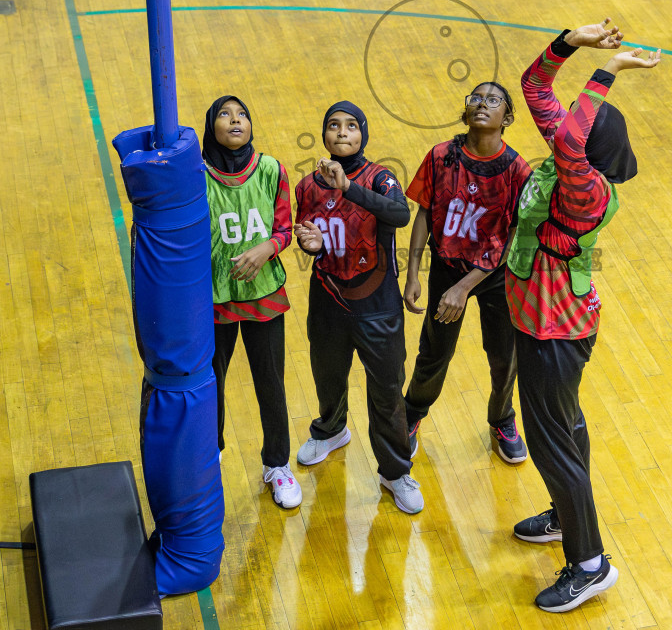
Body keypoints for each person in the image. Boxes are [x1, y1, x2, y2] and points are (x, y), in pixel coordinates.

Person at [507, 19, 660, 613]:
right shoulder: (572, 155)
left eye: (578, 115)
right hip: (546, 318)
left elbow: (569, 136)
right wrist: (574, 39)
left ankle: (590, 564)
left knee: (551, 441)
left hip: (555, 329)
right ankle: (562, 513)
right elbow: (535, 86)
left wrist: (610, 70)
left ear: (590, 140)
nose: (563, 119)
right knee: (564, 426)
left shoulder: (585, 186)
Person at [294, 102, 424, 513]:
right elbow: (309, 235)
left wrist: (348, 186)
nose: (342, 132)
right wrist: (308, 244)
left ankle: (395, 471)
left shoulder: (380, 178)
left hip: (378, 309)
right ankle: (331, 430)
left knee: (386, 392)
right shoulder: (307, 187)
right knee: (328, 377)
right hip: (328, 302)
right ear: (325, 136)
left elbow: (401, 214)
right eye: (333, 126)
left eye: (351, 126)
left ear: (363, 134)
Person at [401, 82, 533, 464]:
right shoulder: (442, 156)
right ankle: (412, 413)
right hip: (447, 266)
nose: (481, 104)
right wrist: (413, 273)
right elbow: (424, 211)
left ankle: (502, 419)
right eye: (475, 98)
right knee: (435, 352)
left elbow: (512, 238)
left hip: (494, 277)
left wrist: (464, 287)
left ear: (507, 118)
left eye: (493, 101)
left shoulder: (517, 171)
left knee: (504, 356)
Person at [202, 96, 300, 509]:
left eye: (242, 113)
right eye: (225, 115)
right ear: (211, 127)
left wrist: (265, 250)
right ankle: (209, 459)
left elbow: (285, 228)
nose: (235, 120)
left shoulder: (271, 169)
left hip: (264, 297)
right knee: (210, 386)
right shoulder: (196, 175)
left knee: (271, 384)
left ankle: (277, 465)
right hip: (213, 301)